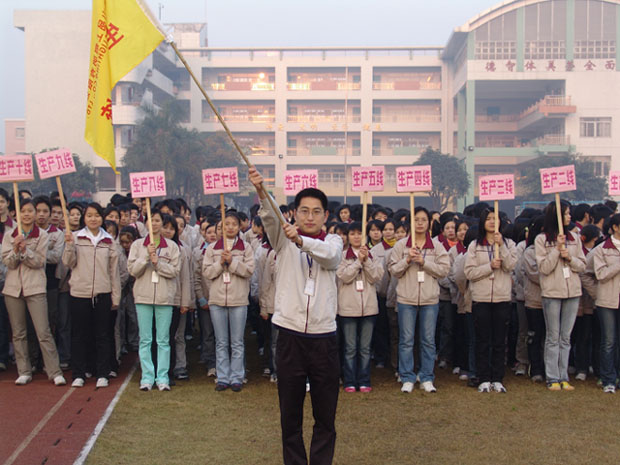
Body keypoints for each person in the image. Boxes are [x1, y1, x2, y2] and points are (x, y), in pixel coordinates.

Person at [250, 166, 343, 465]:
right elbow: (270, 215)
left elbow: (330, 258)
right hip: (289, 336)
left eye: (316, 212)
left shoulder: (334, 242)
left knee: (325, 415)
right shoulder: (282, 238)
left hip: (323, 338)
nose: (310, 217)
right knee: (290, 415)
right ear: (294, 213)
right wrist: (261, 190)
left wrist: (301, 241)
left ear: (325, 216)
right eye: (304, 211)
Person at [2, 199, 65, 386]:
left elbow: (39, 262)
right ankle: (24, 371)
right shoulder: (9, 235)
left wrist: (25, 249)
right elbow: (9, 263)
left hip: (36, 288)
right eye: (23, 211)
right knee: (18, 333)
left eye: (30, 211)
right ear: (17, 214)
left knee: (43, 331)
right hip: (13, 289)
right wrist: (15, 248)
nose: (27, 214)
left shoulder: (43, 235)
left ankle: (54, 371)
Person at [388, 207, 450, 393]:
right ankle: (407, 376)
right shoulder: (401, 245)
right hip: (406, 299)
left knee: (428, 340)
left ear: (429, 223)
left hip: (430, 300)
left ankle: (426, 376)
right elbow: (393, 270)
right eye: (416, 219)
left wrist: (425, 263)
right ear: (410, 223)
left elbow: (444, 270)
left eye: (424, 219)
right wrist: (407, 260)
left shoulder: (436, 246)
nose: (420, 223)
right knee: (406, 340)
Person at [63, 202, 121, 388]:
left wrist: (116, 296)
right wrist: (69, 246)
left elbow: (113, 271)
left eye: (96, 215)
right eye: (89, 215)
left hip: (102, 293)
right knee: (79, 335)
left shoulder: (109, 240)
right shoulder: (75, 237)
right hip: (80, 293)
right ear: (84, 218)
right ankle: (79, 373)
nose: (93, 219)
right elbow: (68, 263)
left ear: (102, 218)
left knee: (102, 335)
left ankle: (102, 373)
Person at [535, 200, 586, 391]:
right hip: (552, 292)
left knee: (566, 337)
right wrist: (556, 250)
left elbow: (582, 265)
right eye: (565, 213)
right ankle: (552, 377)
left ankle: (564, 376)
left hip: (573, 292)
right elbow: (544, 268)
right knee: (553, 336)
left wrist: (569, 257)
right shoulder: (542, 240)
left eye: (569, 213)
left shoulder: (575, 238)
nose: (569, 217)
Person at [464, 208, 517, 393]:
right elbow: (469, 272)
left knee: (499, 341)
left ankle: (497, 378)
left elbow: (511, 266)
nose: (493, 222)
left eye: (496, 218)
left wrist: (501, 246)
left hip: (502, 297)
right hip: (481, 298)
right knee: (482, 341)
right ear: (482, 222)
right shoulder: (475, 245)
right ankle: (483, 377)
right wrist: (489, 266)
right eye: (488, 219)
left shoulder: (509, 244)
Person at [128, 209, 181, 392]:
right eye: (151, 220)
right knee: (145, 339)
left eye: (158, 220)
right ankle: (147, 377)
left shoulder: (172, 247)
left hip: (165, 298)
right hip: (143, 297)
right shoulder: (137, 245)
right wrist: (145, 256)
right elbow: (132, 270)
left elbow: (174, 271)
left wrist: (158, 263)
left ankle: (162, 377)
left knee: (163, 340)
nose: (155, 223)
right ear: (146, 223)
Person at [203, 211, 255, 392]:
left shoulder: (246, 248)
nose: (230, 227)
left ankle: (237, 377)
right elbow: (207, 272)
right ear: (221, 227)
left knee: (237, 341)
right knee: (221, 341)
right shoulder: (212, 249)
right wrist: (220, 263)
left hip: (239, 300)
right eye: (226, 224)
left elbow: (249, 271)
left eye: (234, 224)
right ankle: (223, 377)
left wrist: (232, 262)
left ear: (239, 226)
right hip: (217, 300)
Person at [337, 221, 383, 392]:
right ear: (348, 237)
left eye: (360, 233)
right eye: (353, 233)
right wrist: (358, 262)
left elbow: (376, 277)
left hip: (369, 308)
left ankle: (364, 380)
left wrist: (366, 261)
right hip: (348, 308)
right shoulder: (342, 256)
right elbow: (344, 276)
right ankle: (349, 380)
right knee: (350, 348)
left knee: (365, 348)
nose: (356, 237)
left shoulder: (373, 255)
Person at [592, 214, 620, 393]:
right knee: (609, 341)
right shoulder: (602, 249)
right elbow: (600, 274)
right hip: (608, 299)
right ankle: (608, 378)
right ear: (615, 227)